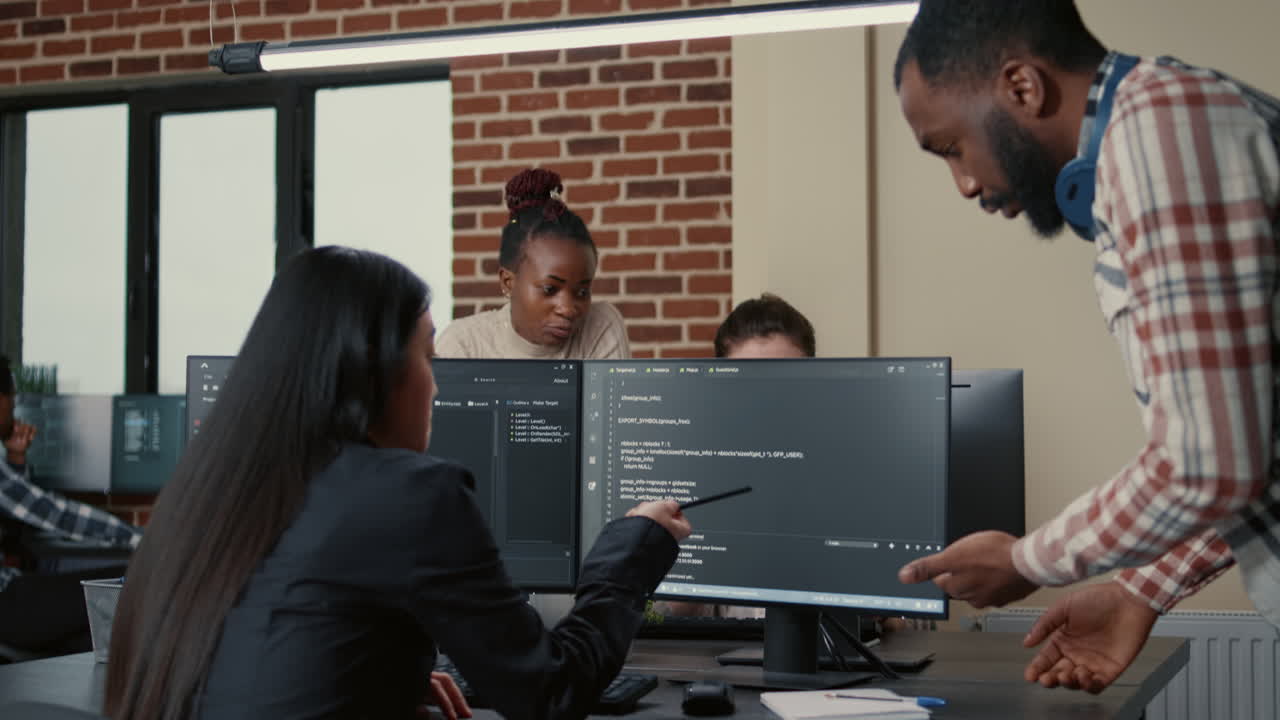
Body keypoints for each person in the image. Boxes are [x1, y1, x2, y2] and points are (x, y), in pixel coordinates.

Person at [104, 247, 690, 720]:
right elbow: (551, 692)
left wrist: (376, 685)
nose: (436, 387)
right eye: (427, 357)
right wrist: (629, 554)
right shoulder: (410, 493)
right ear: (372, 371)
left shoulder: (201, 493)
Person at [891, 0, 1280, 694]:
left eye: (952, 148)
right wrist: (1140, 591)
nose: (967, 183)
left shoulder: (1161, 132)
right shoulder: (1164, 124)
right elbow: (1256, 441)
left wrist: (1028, 560)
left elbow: (1208, 466)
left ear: (1022, 87)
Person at [0, 355, 140, 656]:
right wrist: (142, 540)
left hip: (12, 597)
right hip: (6, 603)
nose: (14, 411)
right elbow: (54, 514)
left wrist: (15, 459)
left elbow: (14, 504)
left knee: (91, 639)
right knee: (137, 578)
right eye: (11, 401)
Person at [436, 168, 630, 360]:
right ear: (508, 283)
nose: (568, 309)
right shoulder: (463, 346)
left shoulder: (600, 326)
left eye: (581, 292)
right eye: (549, 289)